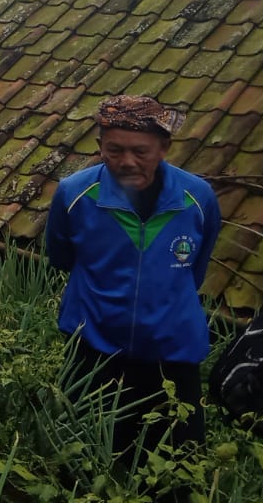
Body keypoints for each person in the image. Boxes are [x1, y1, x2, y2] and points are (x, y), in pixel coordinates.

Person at [47, 95, 220, 465]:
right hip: (94, 352)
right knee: (86, 463)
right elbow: (62, 258)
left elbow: (195, 269)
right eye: (114, 150)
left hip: (172, 355)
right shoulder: (75, 195)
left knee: (178, 469)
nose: (127, 162)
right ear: (99, 147)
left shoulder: (197, 198)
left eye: (140, 151)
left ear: (163, 148)